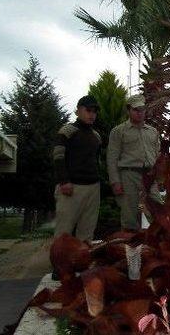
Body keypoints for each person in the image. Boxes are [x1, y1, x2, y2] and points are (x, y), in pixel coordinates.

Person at [107, 94, 160, 231]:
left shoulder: (153, 132)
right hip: (129, 176)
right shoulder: (118, 131)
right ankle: (132, 250)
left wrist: (158, 176)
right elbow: (112, 158)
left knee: (158, 211)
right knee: (129, 217)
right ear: (128, 110)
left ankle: (158, 247)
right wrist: (115, 182)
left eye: (142, 109)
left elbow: (157, 155)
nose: (139, 112)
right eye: (136, 109)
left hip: (149, 175)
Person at [53, 95, 102, 242]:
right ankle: (59, 264)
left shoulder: (96, 136)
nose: (92, 114)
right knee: (63, 232)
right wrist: (64, 181)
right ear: (78, 111)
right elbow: (58, 157)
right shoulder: (67, 131)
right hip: (71, 188)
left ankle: (83, 263)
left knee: (87, 233)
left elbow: (97, 160)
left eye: (94, 111)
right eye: (88, 110)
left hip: (93, 188)